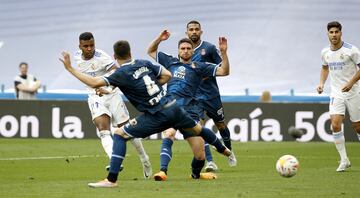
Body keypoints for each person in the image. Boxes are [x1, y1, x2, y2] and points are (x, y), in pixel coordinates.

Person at [59, 40, 233, 188]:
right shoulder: (143, 63)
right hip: (172, 106)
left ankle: (111, 180)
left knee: (119, 135)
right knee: (197, 129)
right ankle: (224, 150)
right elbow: (166, 75)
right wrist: (149, 87)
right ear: (130, 52)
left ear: (114, 57)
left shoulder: (122, 72)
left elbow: (95, 82)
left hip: (157, 114)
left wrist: (70, 68)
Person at [147, 30, 236, 181]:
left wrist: (224, 53)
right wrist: (159, 39)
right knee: (169, 134)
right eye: (182, 48)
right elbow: (151, 50)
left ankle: (196, 175)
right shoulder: (170, 62)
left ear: (192, 51)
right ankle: (163, 171)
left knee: (200, 156)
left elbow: (224, 71)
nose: (186, 51)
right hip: (171, 107)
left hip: (190, 111)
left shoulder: (200, 67)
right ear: (178, 51)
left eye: (188, 48)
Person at [74, 32, 152, 178]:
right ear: (80, 46)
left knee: (127, 130)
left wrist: (108, 89)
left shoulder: (102, 57)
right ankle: (114, 159)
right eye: (86, 46)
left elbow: (117, 73)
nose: (90, 48)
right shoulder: (76, 56)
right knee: (103, 130)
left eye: (92, 45)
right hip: (95, 96)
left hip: (111, 94)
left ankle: (144, 158)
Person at [317, 21, 360, 172]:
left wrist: (351, 83)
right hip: (336, 93)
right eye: (331, 32)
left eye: (336, 32)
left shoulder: (351, 50)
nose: (334, 35)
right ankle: (344, 159)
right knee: (335, 124)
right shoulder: (325, 53)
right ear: (328, 34)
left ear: (341, 33)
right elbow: (324, 68)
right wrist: (321, 83)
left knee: (358, 127)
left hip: (354, 92)